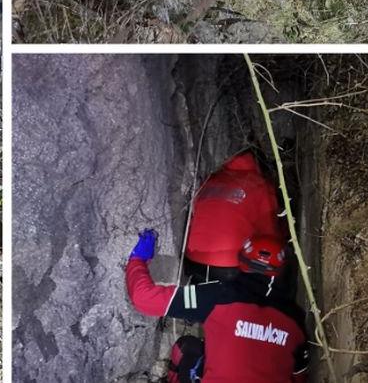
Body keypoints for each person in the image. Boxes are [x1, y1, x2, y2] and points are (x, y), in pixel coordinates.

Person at [126, 230, 310, 382]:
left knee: (186, 348)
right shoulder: (296, 320)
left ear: (242, 262)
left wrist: (137, 260)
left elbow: (143, 298)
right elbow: (300, 376)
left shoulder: (217, 296)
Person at [185, 150, 284, 282]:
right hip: (230, 265)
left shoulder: (212, 180)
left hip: (192, 259)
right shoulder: (260, 185)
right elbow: (269, 233)